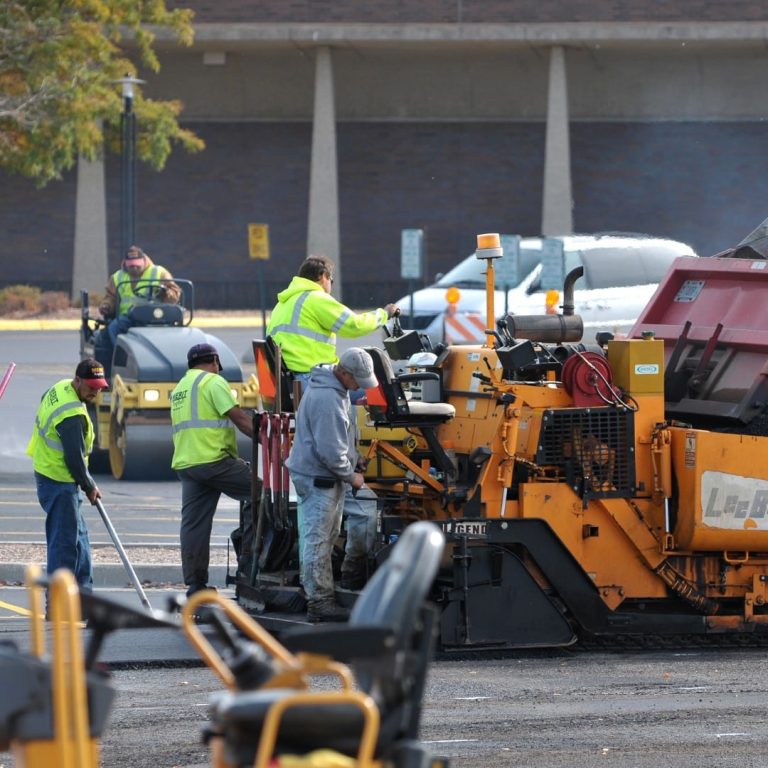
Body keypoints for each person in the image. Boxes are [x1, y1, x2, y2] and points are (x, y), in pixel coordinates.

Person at [285, 347, 379, 622]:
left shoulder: (334, 390)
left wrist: (355, 458)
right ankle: (320, 603)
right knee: (318, 538)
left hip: (322, 475)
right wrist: (352, 475)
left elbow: (338, 440)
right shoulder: (328, 399)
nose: (359, 387)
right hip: (319, 478)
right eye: (357, 381)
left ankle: (342, 583)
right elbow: (329, 452)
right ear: (344, 372)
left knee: (327, 532)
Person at [171, 342, 256, 597]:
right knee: (263, 491)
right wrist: (273, 443)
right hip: (214, 461)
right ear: (215, 362)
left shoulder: (180, 389)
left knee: (194, 525)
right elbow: (240, 419)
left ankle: (196, 586)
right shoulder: (213, 382)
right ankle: (251, 564)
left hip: (188, 464)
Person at [26, 358, 109, 592]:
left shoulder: (61, 387)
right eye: (91, 387)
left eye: (99, 387)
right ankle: (58, 604)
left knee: (79, 540)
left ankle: (84, 598)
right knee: (64, 546)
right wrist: (89, 485)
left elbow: (45, 397)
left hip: (54, 476)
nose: (95, 392)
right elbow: (74, 458)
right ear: (78, 380)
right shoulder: (71, 416)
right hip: (59, 481)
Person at [267, 254, 398, 388]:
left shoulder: (283, 303)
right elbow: (354, 325)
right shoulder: (316, 299)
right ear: (323, 276)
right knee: (377, 390)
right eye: (331, 280)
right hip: (311, 377)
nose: (331, 285)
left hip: (287, 381)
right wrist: (385, 314)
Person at [96, 245, 180, 372]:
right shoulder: (117, 277)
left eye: (137, 265)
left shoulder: (159, 272)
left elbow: (175, 293)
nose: (134, 268)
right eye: (131, 266)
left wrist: (167, 293)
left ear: (144, 261)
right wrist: (106, 305)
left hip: (156, 316)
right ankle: (121, 361)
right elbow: (110, 297)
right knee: (114, 328)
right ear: (125, 263)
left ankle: (170, 363)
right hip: (129, 318)